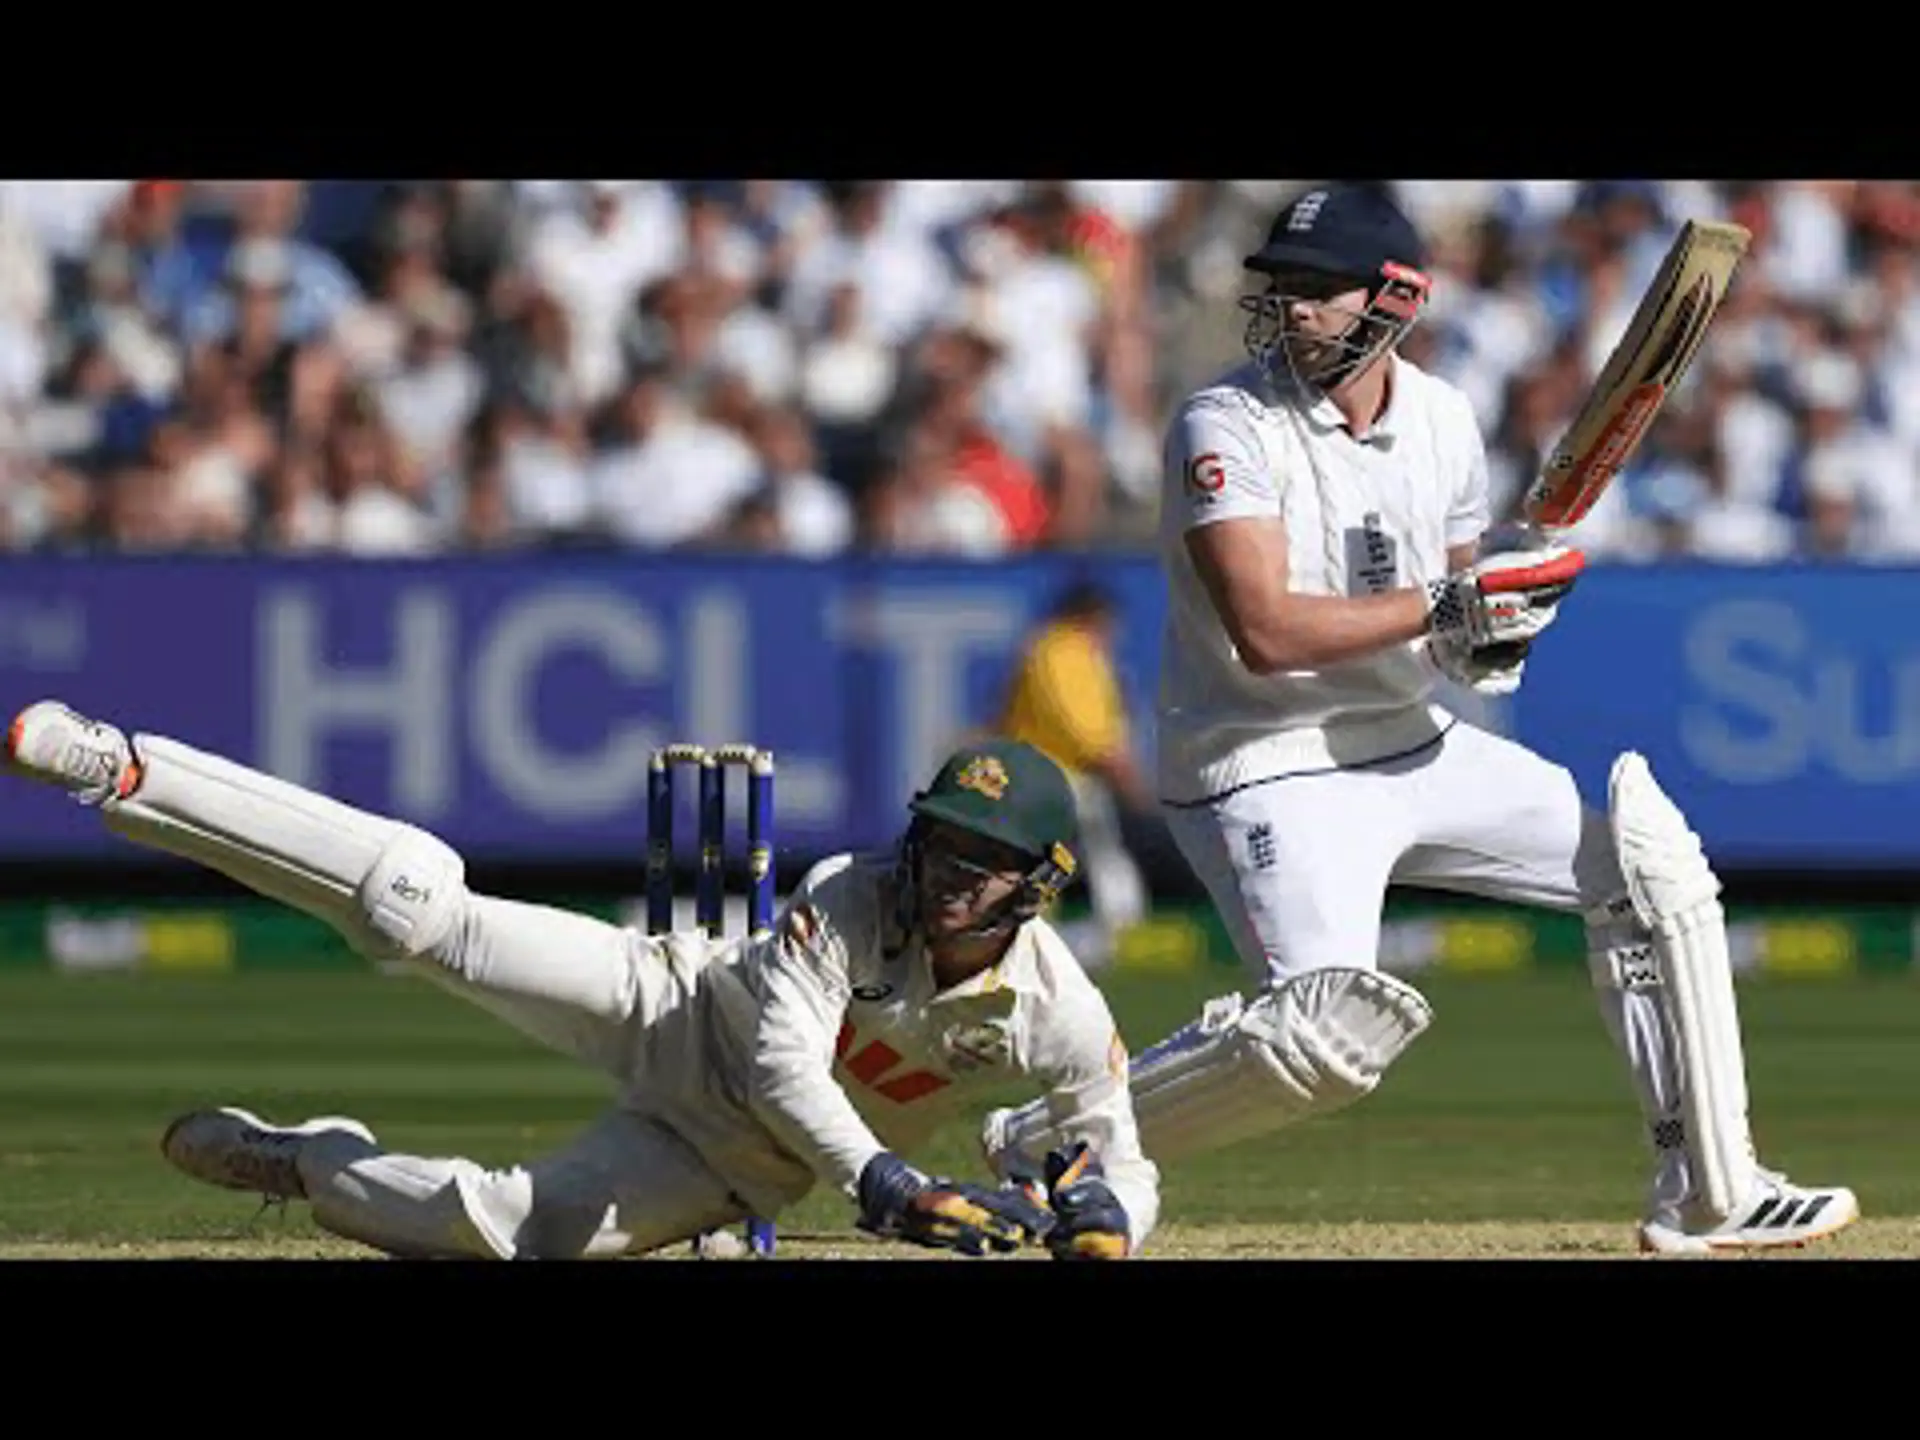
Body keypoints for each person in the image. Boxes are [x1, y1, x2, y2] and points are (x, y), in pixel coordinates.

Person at [982, 183, 1857, 1256]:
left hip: (1411, 742)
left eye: (1317, 291)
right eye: (1282, 290)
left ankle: (1710, 1193)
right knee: (1327, 1037)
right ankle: (1049, 1138)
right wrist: (1455, 605)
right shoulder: (1224, 422)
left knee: (1650, 867)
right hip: (1263, 760)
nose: (1293, 311)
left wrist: (1499, 618)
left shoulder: (1443, 418)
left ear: (1395, 297)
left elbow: (1457, 626)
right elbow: (1267, 631)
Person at [2, 702, 1152, 1261]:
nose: (949, 877)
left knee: (507, 1232)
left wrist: (1103, 1225)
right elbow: (779, 1061)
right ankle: (132, 772)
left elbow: (1115, 1147)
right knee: (421, 911)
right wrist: (894, 1185)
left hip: (723, 1164)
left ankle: (306, 1159)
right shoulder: (852, 890)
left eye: (982, 862)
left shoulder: (1059, 1011)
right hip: (675, 1003)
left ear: (1037, 883)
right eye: (941, 845)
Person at [996, 577, 1151, 969]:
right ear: (1093, 616)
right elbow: (1084, 729)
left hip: (1046, 779)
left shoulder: (1049, 649)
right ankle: (1045, 953)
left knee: (1047, 876)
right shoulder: (1064, 652)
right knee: (1061, 874)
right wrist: (1124, 773)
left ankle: (1036, 951)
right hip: (1054, 783)